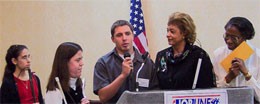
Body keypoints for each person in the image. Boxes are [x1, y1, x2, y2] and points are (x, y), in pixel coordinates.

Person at [93, 20, 159, 103]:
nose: (124, 38)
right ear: (113, 39)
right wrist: (123, 75)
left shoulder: (146, 62)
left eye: (127, 34)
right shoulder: (103, 63)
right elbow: (103, 97)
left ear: (133, 36)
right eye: (119, 35)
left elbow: (156, 95)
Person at [155, 12, 216, 90]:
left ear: (184, 33)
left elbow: (208, 88)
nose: (167, 35)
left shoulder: (199, 56)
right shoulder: (161, 56)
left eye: (172, 31)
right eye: (167, 31)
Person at [213, 17, 260, 103]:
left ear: (245, 37)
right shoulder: (218, 54)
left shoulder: (257, 56)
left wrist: (247, 74)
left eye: (234, 38)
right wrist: (228, 78)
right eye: (227, 36)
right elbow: (214, 92)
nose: (229, 41)